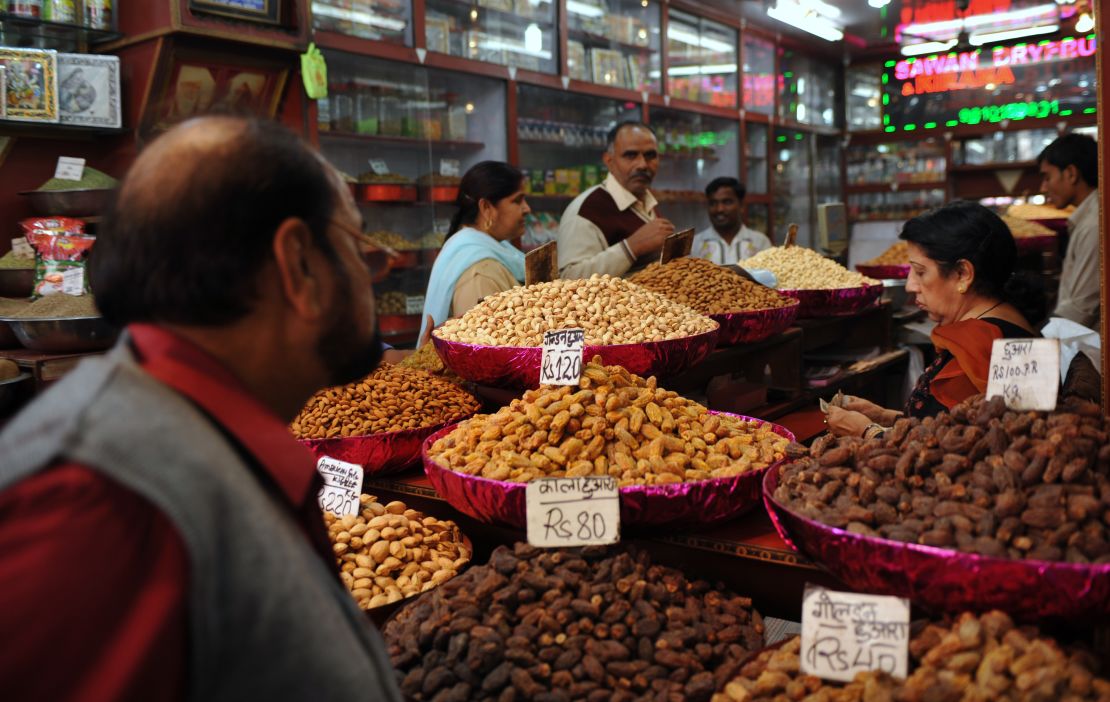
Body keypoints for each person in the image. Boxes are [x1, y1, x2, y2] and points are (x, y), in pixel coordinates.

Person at [0, 116, 402, 701]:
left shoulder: (205, 444)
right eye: (358, 245)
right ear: (299, 265)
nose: (374, 273)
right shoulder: (102, 502)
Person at [828, 201, 1040, 438]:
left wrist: (866, 431)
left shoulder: (984, 346)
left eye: (920, 272)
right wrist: (884, 416)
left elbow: (943, 452)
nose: (910, 285)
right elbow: (947, 424)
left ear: (962, 274)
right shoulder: (1008, 320)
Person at [419, 161, 529, 340]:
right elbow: (481, 347)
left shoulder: (490, 251)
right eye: (517, 201)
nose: (527, 208)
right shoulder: (480, 272)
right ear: (486, 208)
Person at [558, 121, 674, 278]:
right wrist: (631, 247)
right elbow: (569, 278)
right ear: (609, 161)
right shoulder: (586, 210)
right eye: (631, 155)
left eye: (650, 155)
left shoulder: (646, 201)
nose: (642, 165)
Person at [1037, 133, 1100, 328]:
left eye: (1048, 177)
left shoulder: (1093, 225)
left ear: (1071, 173)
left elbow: (1081, 307)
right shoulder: (1087, 219)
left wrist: (1037, 340)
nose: (1043, 187)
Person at [692, 177, 771, 264]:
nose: (719, 209)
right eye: (713, 203)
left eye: (727, 202)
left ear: (741, 205)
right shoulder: (695, 244)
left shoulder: (760, 242)